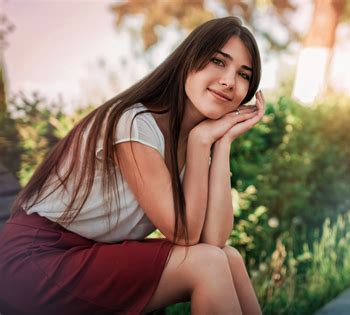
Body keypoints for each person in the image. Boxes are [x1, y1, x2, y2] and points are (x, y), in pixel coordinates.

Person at [0, 16, 264, 315]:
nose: (229, 81)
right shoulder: (134, 123)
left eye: (244, 74)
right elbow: (186, 234)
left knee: (227, 257)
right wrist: (202, 141)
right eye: (218, 61)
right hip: (36, 261)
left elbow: (214, 239)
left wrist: (223, 142)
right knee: (208, 265)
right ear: (188, 60)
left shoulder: (190, 139)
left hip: (90, 255)